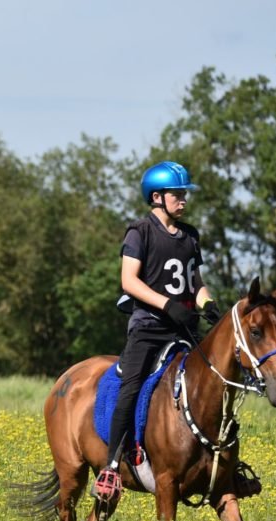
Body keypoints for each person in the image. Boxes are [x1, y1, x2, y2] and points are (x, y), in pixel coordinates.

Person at [94, 162, 222, 502]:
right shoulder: (140, 232)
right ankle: (111, 466)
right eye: (177, 194)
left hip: (184, 328)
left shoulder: (190, 236)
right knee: (131, 385)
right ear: (156, 197)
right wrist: (167, 305)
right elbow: (129, 281)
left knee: (214, 381)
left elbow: (195, 282)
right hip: (149, 328)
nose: (183, 200)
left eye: (184, 194)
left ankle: (223, 465)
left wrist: (207, 303)